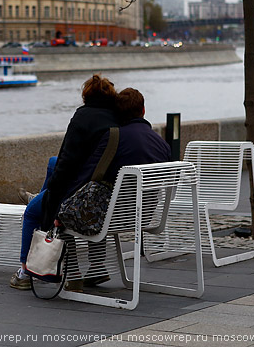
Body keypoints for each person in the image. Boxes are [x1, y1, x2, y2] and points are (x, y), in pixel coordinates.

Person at [10, 74, 119, 290]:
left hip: (82, 194)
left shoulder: (83, 117)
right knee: (52, 163)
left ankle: (25, 273)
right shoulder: (117, 117)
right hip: (108, 194)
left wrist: (51, 202)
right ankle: (97, 268)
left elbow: (67, 164)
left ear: (86, 96)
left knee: (33, 212)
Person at [57, 87, 171, 290]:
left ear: (117, 113)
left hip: (113, 217)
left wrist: (61, 200)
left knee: (64, 212)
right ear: (143, 110)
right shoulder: (162, 144)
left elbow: (89, 175)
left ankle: (74, 274)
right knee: (100, 205)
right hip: (143, 216)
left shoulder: (115, 138)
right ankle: (96, 270)